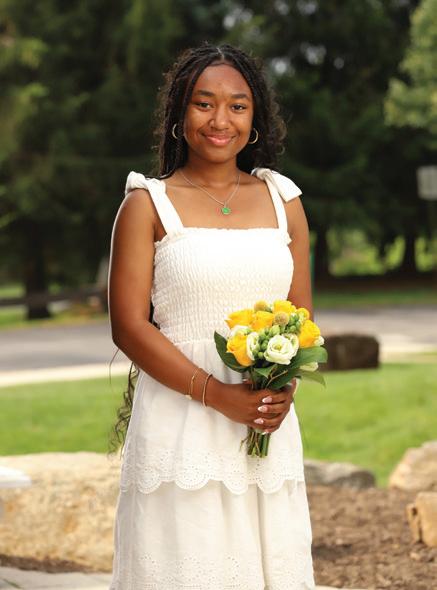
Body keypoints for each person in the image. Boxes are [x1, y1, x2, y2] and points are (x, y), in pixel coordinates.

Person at [107, 42, 315, 590]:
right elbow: (129, 326)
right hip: (180, 423)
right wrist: (216, 394)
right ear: (180, 114)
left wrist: (283, 387)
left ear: (255, 118)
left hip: (264, 423)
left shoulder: (284, 201)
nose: (221, 120)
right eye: (204, 104)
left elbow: (300, 317)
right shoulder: (147, 204)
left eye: (237, 106)